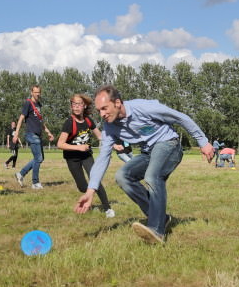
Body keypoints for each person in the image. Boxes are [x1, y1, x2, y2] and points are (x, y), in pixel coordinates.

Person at [74, 85, 213, 245]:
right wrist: (91, 191)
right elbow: (103, 157)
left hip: (169, 145)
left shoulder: (145, 108)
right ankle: (161, 218)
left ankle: (156, 231)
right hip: (148, 152)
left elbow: (179, 117)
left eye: (104, 108)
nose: (102, 114)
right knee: (122, 176)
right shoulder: (109, 127)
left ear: (117, 103)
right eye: (99, 110)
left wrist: (203, 142)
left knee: (152, 177)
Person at [56, 94, 114, 218]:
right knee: (82, 187)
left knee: (95, 179)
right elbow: (60, 144)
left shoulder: (88, 120)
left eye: (79, 104)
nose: (76, 107)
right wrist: (78, 147)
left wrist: (113, 143)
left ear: (84, 106)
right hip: (72, 158)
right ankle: (87, 197)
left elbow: (99, 136)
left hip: (87, 156)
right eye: (74, 104)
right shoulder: (69, 123)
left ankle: (107, 208)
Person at [13, 85, 54, 189]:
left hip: (38, 134)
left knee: (40, 158)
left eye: (39, 92)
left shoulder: (39, 104)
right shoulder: (28, 103)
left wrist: (48, 132)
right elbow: (21, 118)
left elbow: (40, 121)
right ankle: (35, 183)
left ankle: (21, 174)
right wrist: (16, 133)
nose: (38, 94)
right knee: (38, 158)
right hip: (31, 134)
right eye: (35, 92)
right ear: (31, 92)